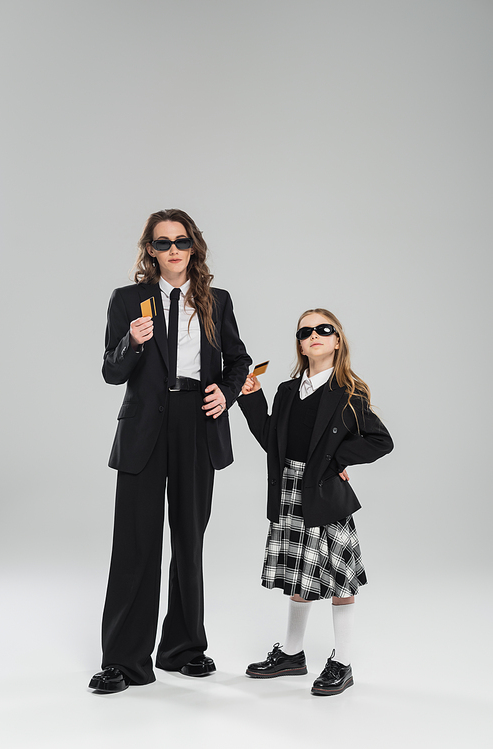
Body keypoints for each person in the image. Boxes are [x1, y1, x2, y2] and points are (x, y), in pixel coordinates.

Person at [89, 209, 251, 693]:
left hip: (197, 423)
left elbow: (239, 359)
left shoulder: (215, 301)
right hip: (145, 428)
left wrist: (227, 390)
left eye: (181, 241)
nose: (173, 250)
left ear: (194, 247)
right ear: (151, 251)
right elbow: (110, 372)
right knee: (136, 543)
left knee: (188, 538)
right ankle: (122, 660)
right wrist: (132, 345)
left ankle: (183, 649)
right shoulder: (128, 300)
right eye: (163, 243)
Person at [238, 308, 393, 696]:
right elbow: (271, 440)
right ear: (300, 345)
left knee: (339, 578)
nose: (314, 336)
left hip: (324, 492)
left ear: (337, 340)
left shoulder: (350, 392)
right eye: (305, 332)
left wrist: (337, 460)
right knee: (298, 574)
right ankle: (292, 654)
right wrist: (252, 399)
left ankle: (342, 661)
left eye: (324, 329)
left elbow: (381, 441)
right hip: (290, 487)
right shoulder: (288, 390)